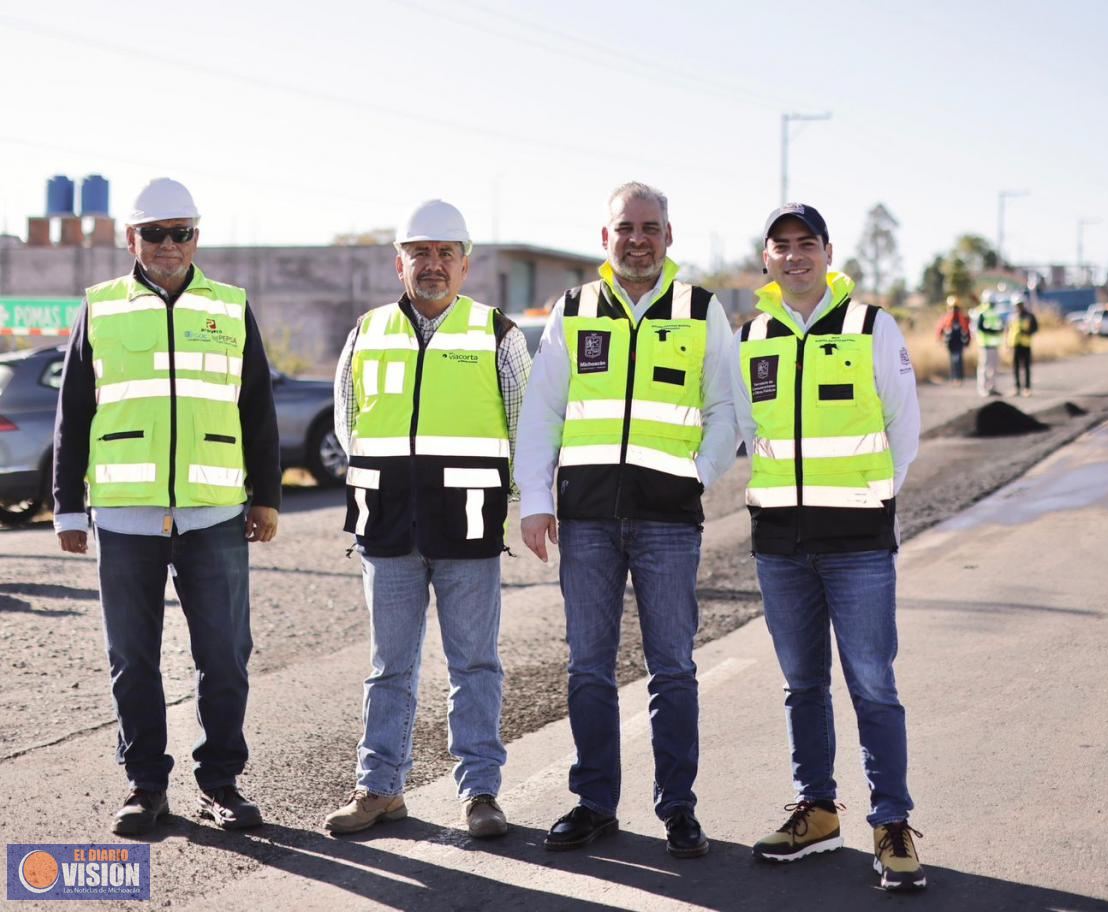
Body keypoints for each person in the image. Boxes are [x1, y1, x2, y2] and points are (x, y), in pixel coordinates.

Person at [51, 178, 281, 836]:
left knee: (226, 654)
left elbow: (256, 409)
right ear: (132, 238)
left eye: (181, 232)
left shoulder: (231, 307)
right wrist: (68, 506)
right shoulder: (100, 307)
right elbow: (73, 414)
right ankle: (145, 784)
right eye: (155, 233)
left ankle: (222, 784)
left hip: (213, 513)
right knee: (133, 658)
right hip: (126, 515)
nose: (169, 245)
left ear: (197, 238)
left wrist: (265, 496)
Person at [515, 182, 736, 858]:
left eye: (650, 227)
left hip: (670, 519)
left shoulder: (701, 311)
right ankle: (594, 804)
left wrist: (696, 474)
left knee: (672, 666)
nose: (637, 238)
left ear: (669, 236)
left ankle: (679, 809)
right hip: (586, 519)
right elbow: (544, 409)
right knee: (588, 667)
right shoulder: (574, 310)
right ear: (604, 237)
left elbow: (727, 410)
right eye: (625, 227)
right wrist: (535, 499)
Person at [324, 200, 531, 839]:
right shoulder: (366, 331)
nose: (432, 264)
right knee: (390, 666)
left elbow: (524, 429)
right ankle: (380, 789)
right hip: (386, 528)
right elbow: (348, 423)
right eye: (421, 252)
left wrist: (524, 507)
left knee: (474, 664)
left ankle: (480, 795)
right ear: (400, 262)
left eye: (446, 253)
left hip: (467, 525)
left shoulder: (498, 333)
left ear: (466, 264)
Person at [733, 204, 925, 892]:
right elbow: (740, 429)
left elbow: (906, 424)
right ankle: (815, 812)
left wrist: (875, 499)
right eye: (780, 246)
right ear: (767, 259)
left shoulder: (871, 327)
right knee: (802, 684)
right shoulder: (749, 336)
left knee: (873, 683)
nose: (793, 256)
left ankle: (891, 823)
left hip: (858, 544)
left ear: (827, 252)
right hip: (780, 542)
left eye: (805, 244)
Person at [972, 291, 1005, 396]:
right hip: (985, 345)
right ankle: (982, 388)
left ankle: (992, 387)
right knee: (984, 368)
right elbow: (980, 328)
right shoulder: (981, 313)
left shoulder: (995, 313)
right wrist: (994, 331)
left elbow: (1000, 326)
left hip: (994, 345)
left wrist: (999, 330)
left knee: (994, 368)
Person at [1005, 299, 1038, 396]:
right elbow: (1007, 330)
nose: (1019, 307)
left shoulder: (1029, 316)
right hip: (1015, 344)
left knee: (1026, 367)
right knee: (1016, 367)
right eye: (1017, 305)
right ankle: (1017, 387)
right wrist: (1007, 343)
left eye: (1020, 304)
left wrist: (1027, 332)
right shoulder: (1011, 316)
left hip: (1025, 344)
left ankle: (1027, 388)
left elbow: (1035, 328)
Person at [934, 296, 971, 385]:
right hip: (950, 342)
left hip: (959, 341)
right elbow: (940, 328)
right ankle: (954, 377)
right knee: (953, 360)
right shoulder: (946, 317)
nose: (954, 310)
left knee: (958, 359)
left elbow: (967, 329)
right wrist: (939, 338)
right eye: (953, 307)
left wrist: (968, 340)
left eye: (956, 307)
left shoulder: (962, 317)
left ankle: (959, 378)